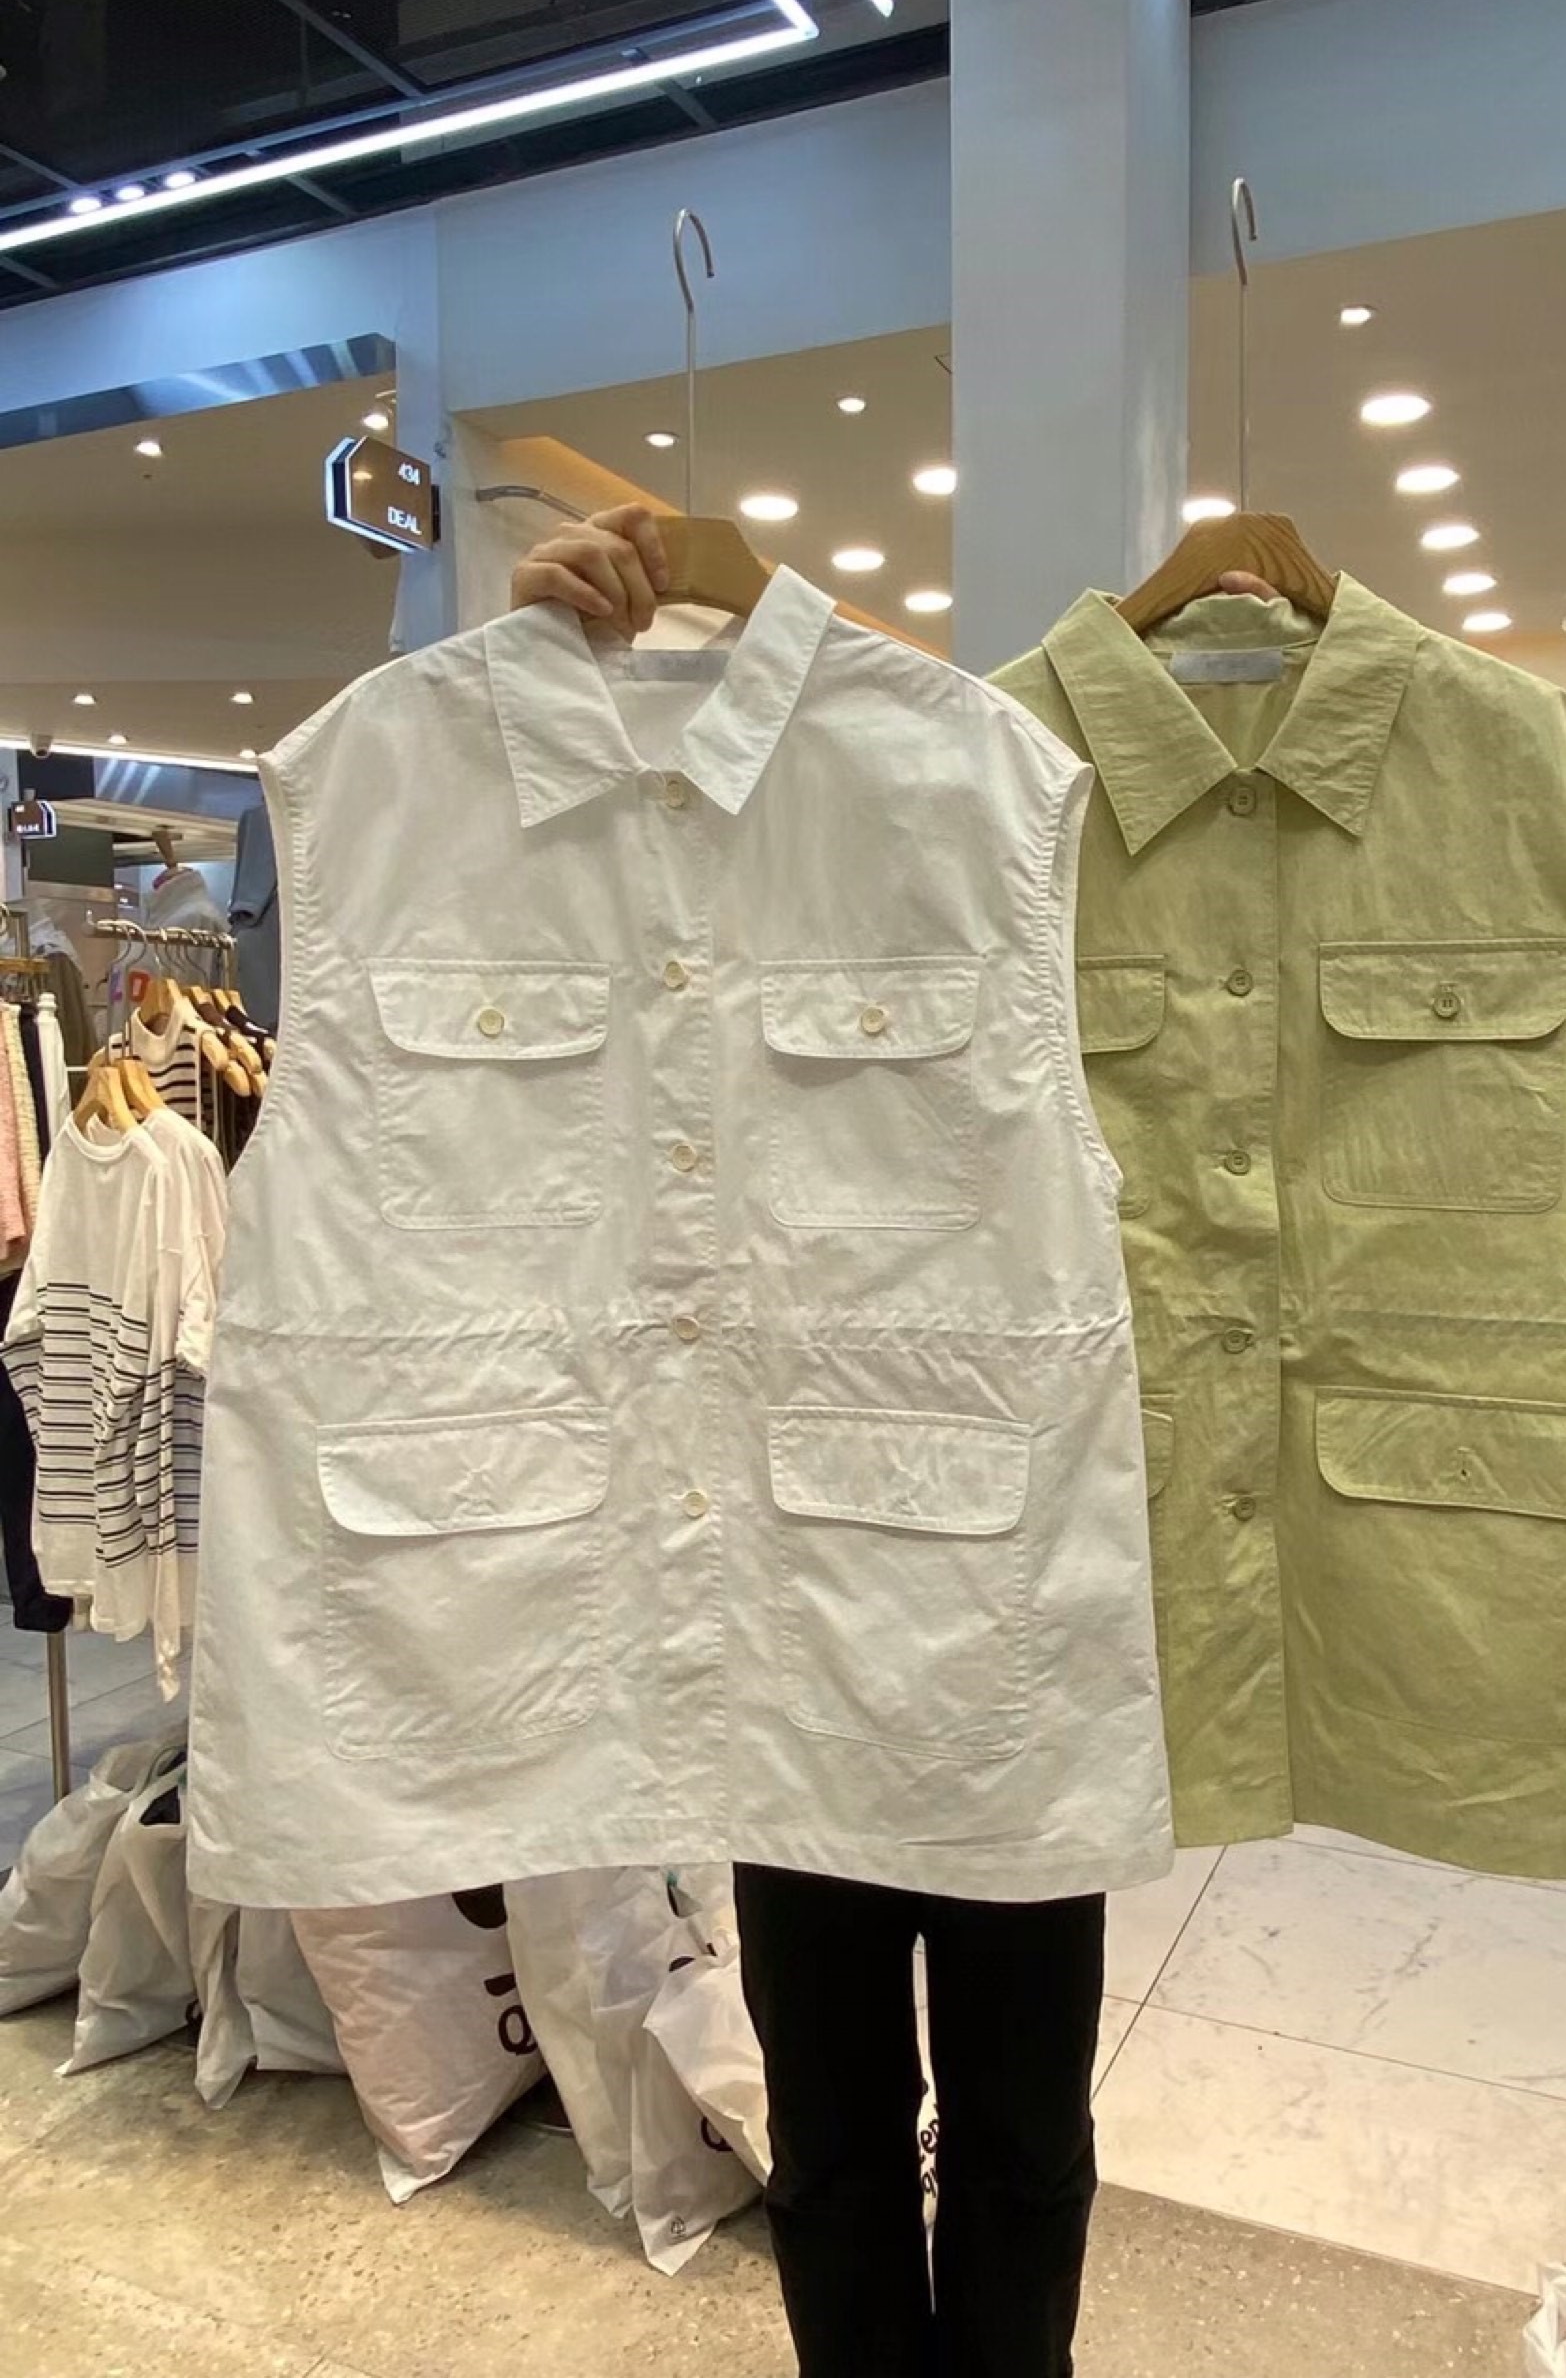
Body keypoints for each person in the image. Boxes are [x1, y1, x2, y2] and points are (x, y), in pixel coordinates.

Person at [511, 505, 1115, 2378]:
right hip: (784, 1639)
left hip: (1002, 1635)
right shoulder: (594, 839)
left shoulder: (972, 781)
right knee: (834, 2134)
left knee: (1026, 2129)